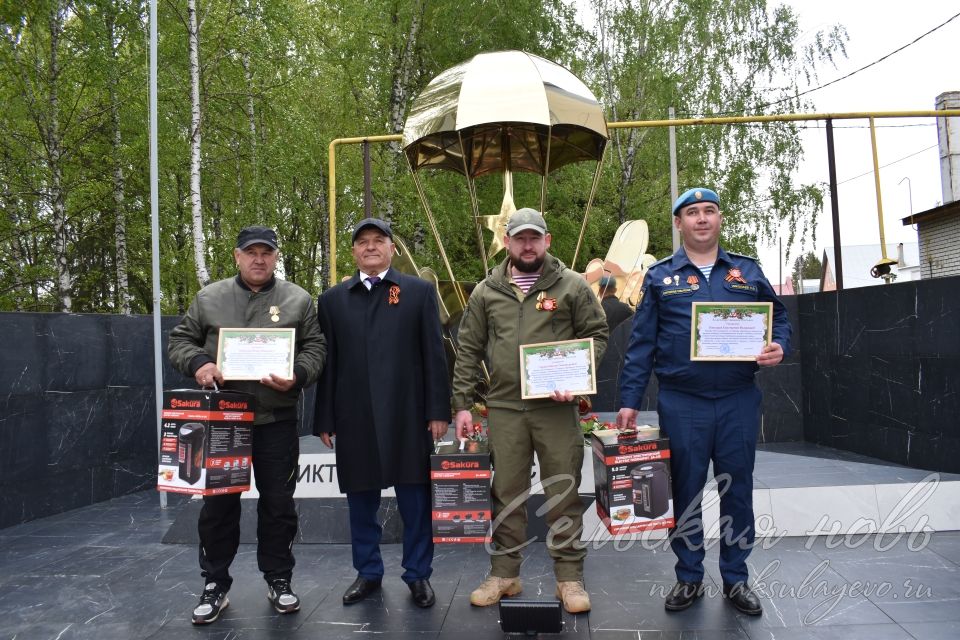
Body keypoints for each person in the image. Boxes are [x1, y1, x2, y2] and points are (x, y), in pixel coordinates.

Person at [616, 188, 791, 616]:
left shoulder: (747, 273)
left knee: (738, 490)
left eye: (709, 211)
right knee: (686, 492)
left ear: (719, 219)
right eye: (691, 212)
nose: (701, 219)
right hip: (683, 402)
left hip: (737, 400)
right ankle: (689, 577)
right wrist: (629, 401)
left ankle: (736, 579)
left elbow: (778, 318)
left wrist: (778, 346)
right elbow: (641, 345)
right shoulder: (660, 278)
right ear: (679, 224)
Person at [451, 208, 608, 614]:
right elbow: (468, 348)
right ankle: (505, 573)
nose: (526, 245)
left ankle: (569, 579)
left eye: (533, 238)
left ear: (547, 241)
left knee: (563, 492)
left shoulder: (572, 286)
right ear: (507, 242)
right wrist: (462, 404)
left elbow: (597, 334)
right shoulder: (487, 291)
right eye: (519, 238)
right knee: (506, 495)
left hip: (556, 410)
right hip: (504, 407)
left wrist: (578, 378)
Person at [168, 225, 326, 625]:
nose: (259, 259)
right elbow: (179, 341)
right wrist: (200, 364)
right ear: (236, 256)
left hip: (276, 419)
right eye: (250, 252)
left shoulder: (298, 299)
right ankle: (214, 583)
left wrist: (300, 374)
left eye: (266, 253)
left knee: (278, 505)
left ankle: (279, 579)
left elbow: (315, 347)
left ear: (276, 257)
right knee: (218, 507)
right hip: (223, 422)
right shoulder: (210, 298)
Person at [313, 217, 450, 609]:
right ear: (353, 252)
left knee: (415, 501)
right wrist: (324, 417)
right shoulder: (333, 300)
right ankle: (368, 572)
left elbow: (434, 356)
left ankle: (418, 575)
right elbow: (329, 364)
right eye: (362, 242)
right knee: (360, 501)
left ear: (392, 248)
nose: (370, 247)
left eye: (379, 240)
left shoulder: (419, 292)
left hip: (408, 416)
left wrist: (437, 410)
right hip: (354, 415)